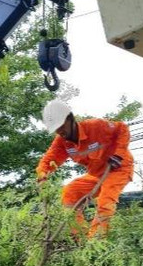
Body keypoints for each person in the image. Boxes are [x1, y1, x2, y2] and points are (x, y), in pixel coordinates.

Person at [35, 99, 133, 237]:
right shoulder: (62, 142)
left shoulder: (95, 126)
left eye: (61, 125)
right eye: (56, 128)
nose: (60, 131)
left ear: (70, 119)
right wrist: (42, 175)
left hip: (119, 169)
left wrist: (118, 155)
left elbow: (122, 128)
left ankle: (96, 240)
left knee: (105, 200)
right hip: (97, 175)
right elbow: (48, 161)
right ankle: (80, 238)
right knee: (69, 192)